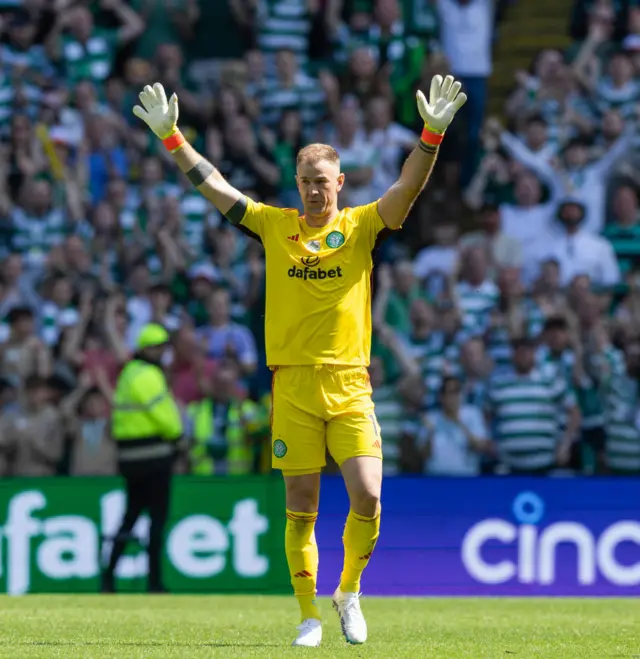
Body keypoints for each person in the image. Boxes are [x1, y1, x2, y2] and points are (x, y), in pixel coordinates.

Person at [132, 78, 466, 647]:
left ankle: (349, 591)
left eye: (324, 183)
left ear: (341, 183)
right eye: (306, 183)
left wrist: (431, 135)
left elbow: (408, 186)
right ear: (298, 185)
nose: (316, 193)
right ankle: (310, 615)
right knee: (302, 508)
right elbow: (217, 188)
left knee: (369, 496)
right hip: (291, 386)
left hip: (349, 383)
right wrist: (172, 138)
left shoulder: (361, 226)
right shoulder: (274, 225)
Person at [102, 323, 183, 594]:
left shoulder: (127, 374)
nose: (162, 352)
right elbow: (165, 416)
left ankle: (108, 577)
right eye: (158, 347)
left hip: (128, 457)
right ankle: (154, 582)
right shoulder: (149, 374)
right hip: (154, 455)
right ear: (148, 349)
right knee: (157, 520)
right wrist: (179, 435)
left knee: (129, 518)